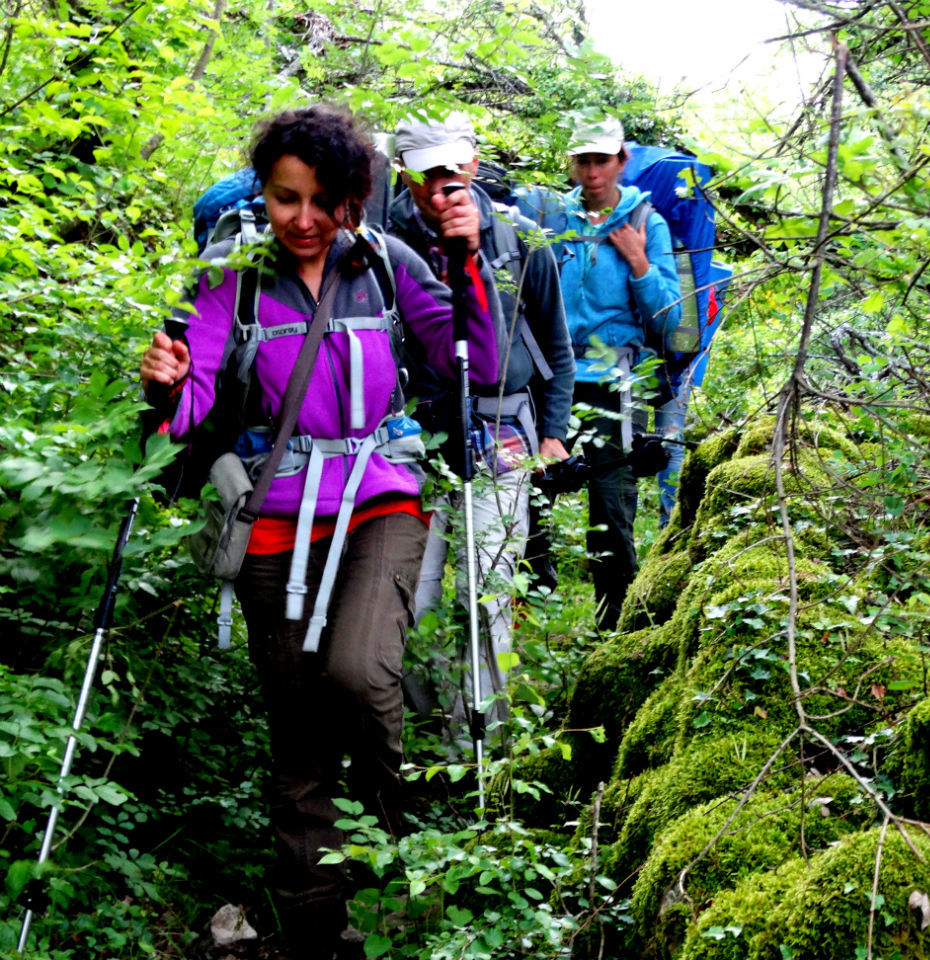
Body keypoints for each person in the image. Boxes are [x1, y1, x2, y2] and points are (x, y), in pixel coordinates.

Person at [139, 105, 498, 959]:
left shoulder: (385, 266)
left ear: (352, 198)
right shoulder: (233, 280)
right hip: (276, 509)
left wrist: (467, 259)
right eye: (284, 198)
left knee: (359, 673)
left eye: (321, 199)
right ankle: (314, 925)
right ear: (263, 194)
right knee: (299, 731)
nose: (302, 219)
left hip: (379, 493)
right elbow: (189, 410)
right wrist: (167, 384)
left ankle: (393, 852)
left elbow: (474, 362)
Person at [387, 111, 573, 749]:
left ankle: (485, 743)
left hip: (503, 428)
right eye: (426, 171)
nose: (442, 184)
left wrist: (553, 427)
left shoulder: (519, 238)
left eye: (452, 167)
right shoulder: (381, 242)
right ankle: (435, 738)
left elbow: (555, 338)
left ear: (473, 162)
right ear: (402, 175)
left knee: (487, 593)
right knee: (412, 596)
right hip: (410, 436)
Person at [549, 114, 683, 630]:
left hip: (612, 378)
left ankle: (614, 631)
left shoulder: (647, 223)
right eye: (582, 160)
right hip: (552, 377)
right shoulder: (552, 222)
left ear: (621, 160)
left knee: (609, 508)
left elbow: (672, 316)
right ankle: (532, 614)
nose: (591, 171)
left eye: (601, 159)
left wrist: (640, 264)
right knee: (529, 497)